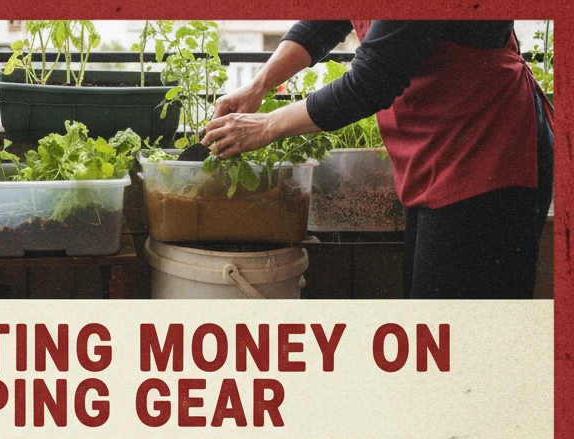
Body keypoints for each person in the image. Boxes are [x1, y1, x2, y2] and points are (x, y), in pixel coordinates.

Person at [202, 21, 553, 299]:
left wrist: (266, 126)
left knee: (464, 346)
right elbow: (325, 19)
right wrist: (258, 85)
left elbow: (373, 78)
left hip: (489, 148)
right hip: (437, 151)